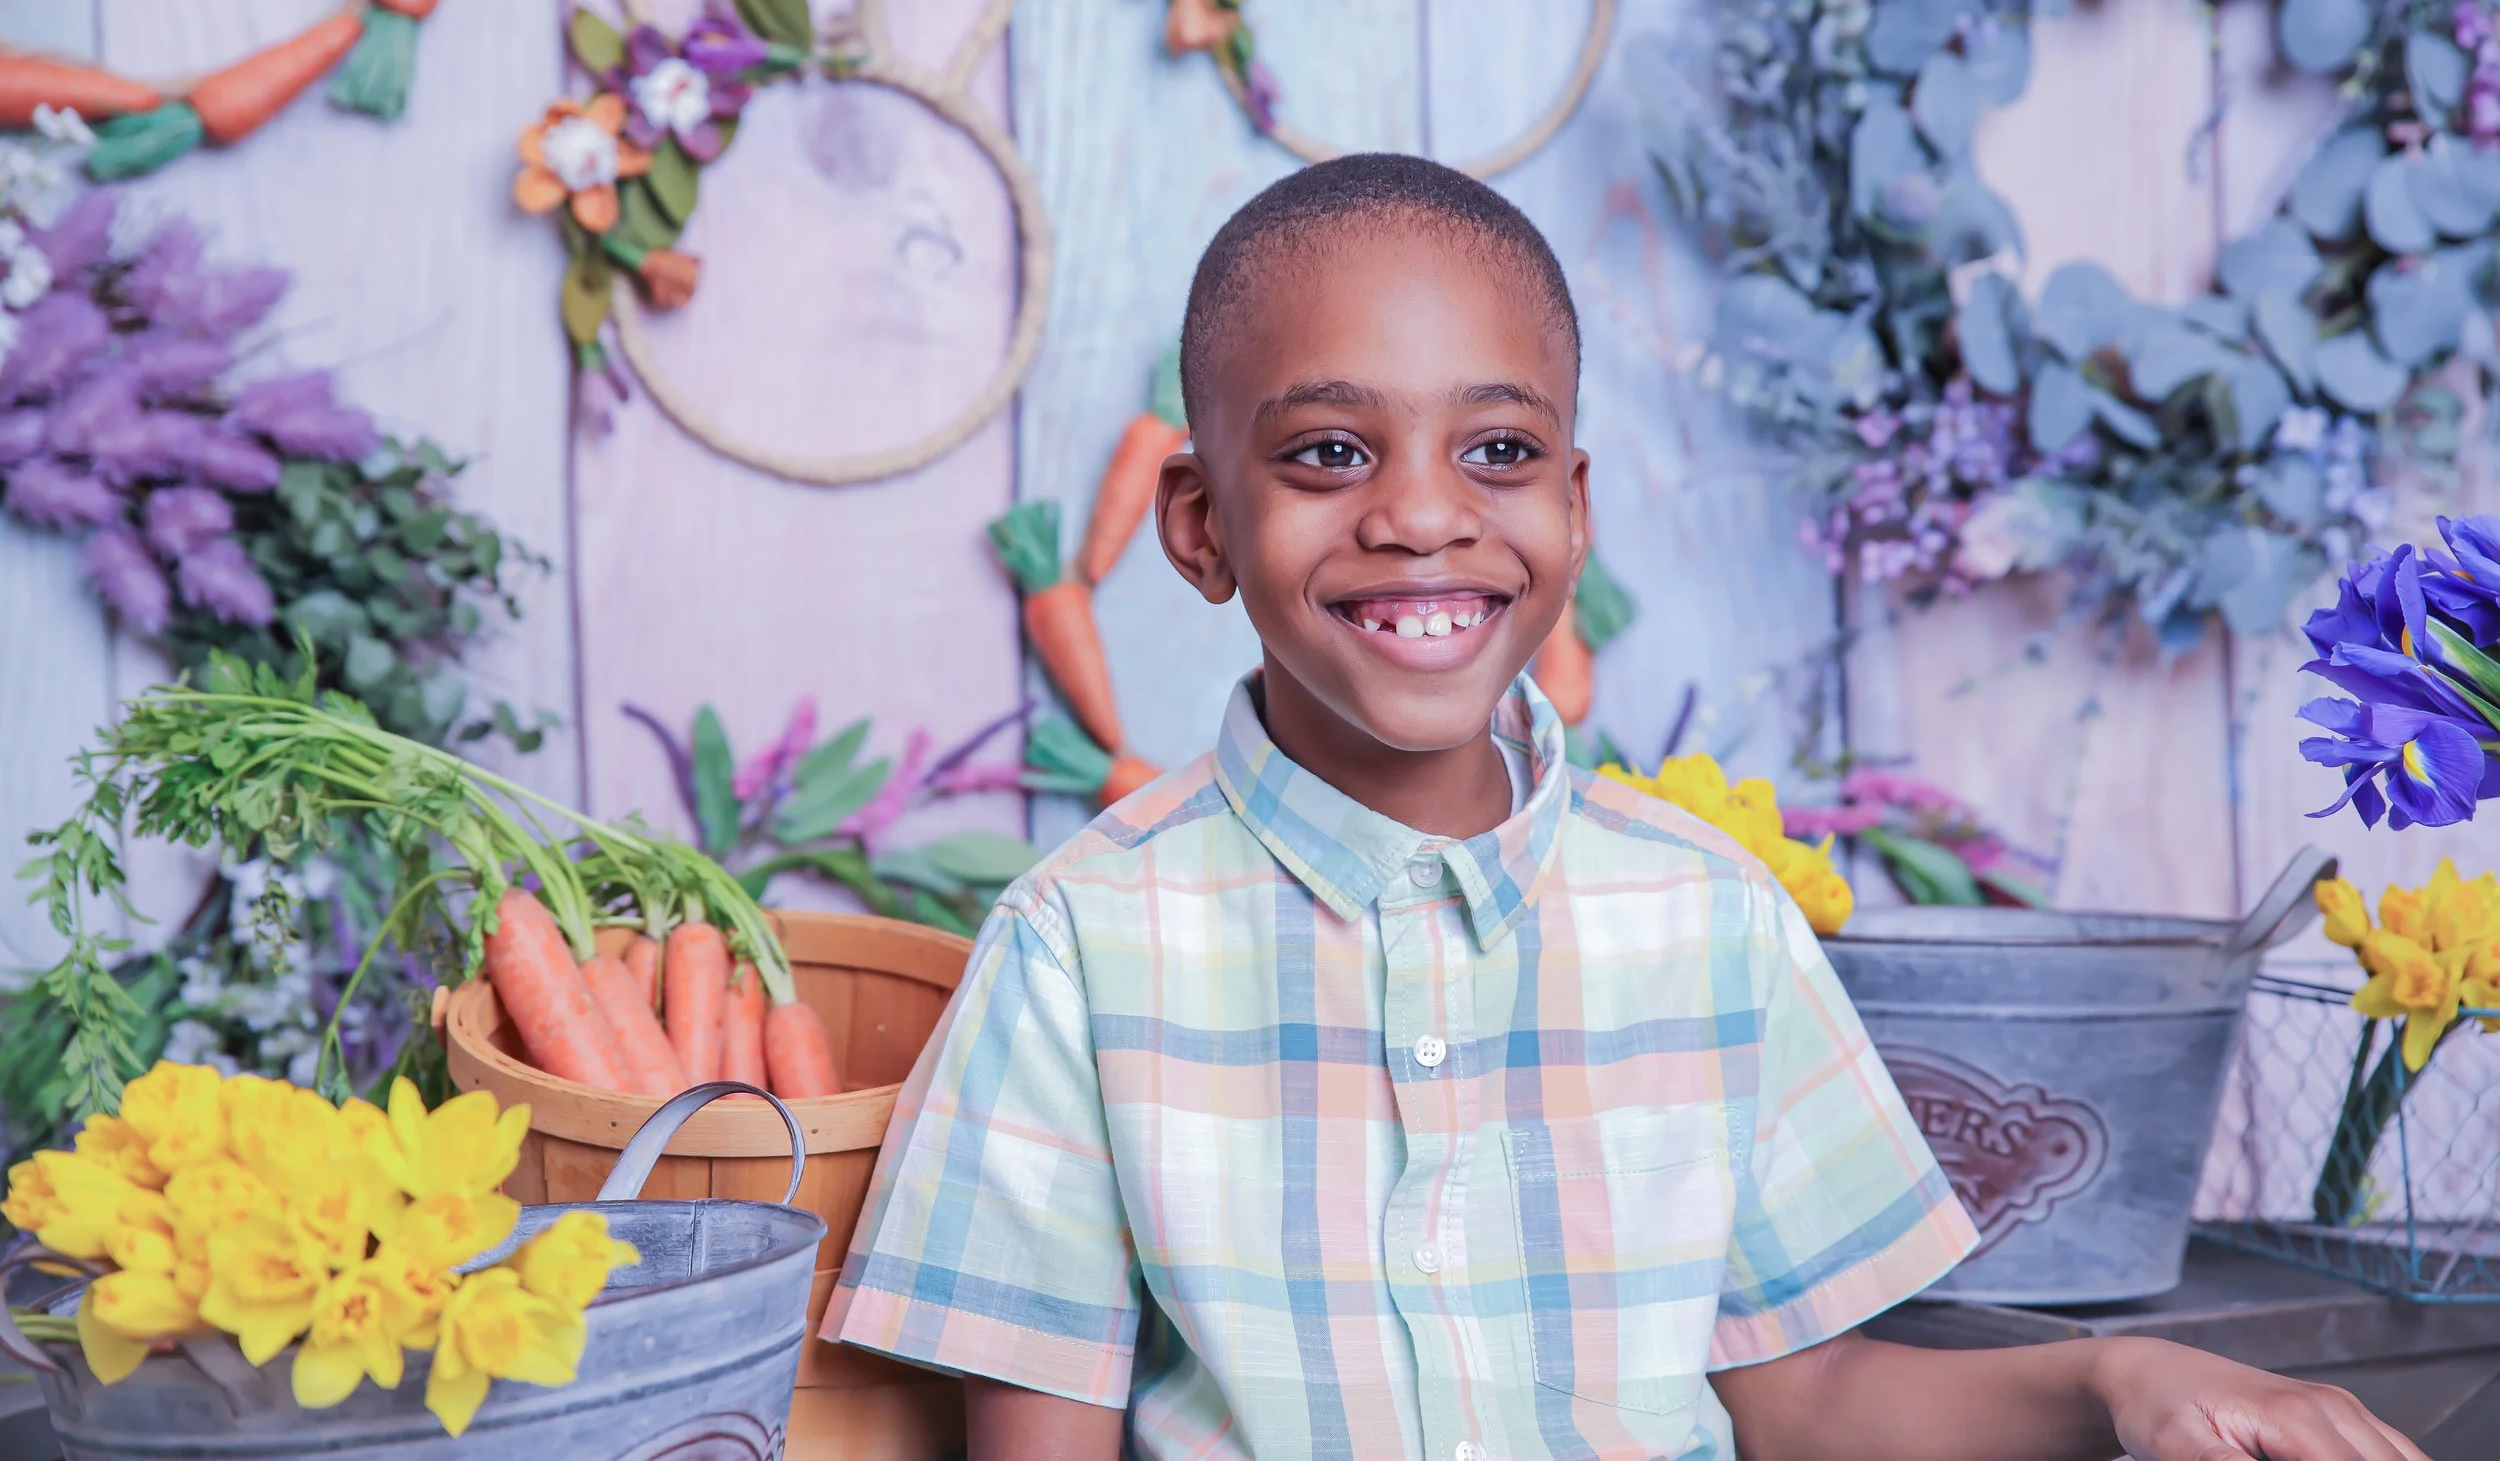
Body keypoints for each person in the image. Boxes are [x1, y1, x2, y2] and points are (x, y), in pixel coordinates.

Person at [823, 153, 2424, 1461]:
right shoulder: (1077, 949)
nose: (1422, 513)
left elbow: (1808, 1402)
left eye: (1496, 448)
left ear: (1573, 509)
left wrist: (2122, 1375)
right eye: (1328, 451)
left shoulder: (1714, 919)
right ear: (1199, 524)